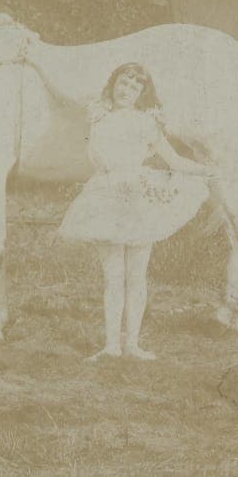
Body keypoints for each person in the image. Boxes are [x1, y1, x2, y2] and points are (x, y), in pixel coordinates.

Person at [58, 63, 213, 361]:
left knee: (136, 275)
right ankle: (111, 345)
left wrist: (210, 171)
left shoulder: (145, 123)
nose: (125, 90)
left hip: (139, 196)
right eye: (122, 83)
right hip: (106, 196)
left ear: (141, 93)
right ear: (112, 83)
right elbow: (97, 158)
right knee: (113, 275)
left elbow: (175, 161)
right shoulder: (99, 118)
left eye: (133, 87)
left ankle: (133, 344)